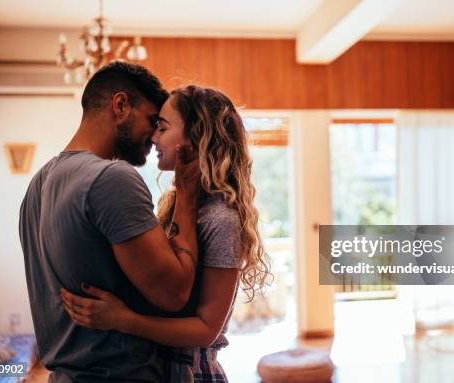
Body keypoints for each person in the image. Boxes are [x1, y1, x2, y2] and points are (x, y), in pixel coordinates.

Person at [61, 85, 271, 382]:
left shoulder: (221, 218)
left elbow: (206, 330)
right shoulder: (179, 204)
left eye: (162, 127)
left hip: (191, 373)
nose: (153, 137)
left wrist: (124, 320)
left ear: (197, 136)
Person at [19, 62, 202, 382]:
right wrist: (186, 198)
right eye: (152, 121)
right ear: (120, 105)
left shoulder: (38, 184)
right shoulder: (111, 178)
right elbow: (174, 294)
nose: (155, 135)